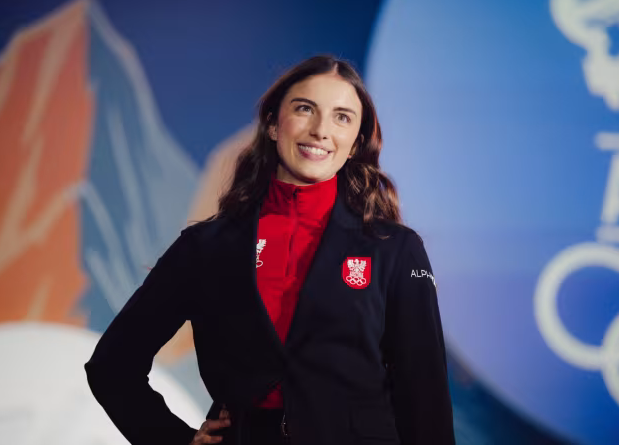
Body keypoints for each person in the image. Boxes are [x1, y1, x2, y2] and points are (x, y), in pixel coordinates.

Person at [85, 55, 454, 445]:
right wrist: (175, 439)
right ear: (274, 125)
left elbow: (424, 396)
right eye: (305, 109)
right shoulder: (205, 247)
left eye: (342, 117)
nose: (320, 130)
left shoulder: (394, 249)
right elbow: (112, 366)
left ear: (356, 143)